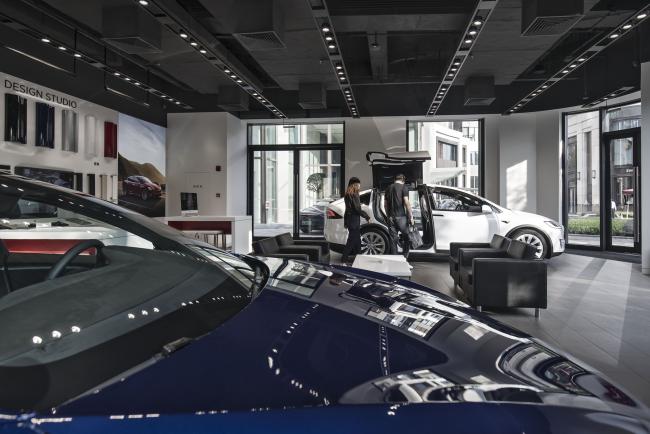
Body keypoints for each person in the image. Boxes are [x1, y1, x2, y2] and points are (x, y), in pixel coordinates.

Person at [384, 174, 414, 257]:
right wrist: (411, 216)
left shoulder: (388, 188)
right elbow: (406, 203)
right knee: (407, 238)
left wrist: (388, 215)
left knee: (393, 240)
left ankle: (396, 259)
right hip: (401, 217)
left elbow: (385, 205)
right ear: (403, 180)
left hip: (391, 217)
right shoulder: (404, 187)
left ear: (395, 179)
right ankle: (405, 258)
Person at [342, 177, 370, 264]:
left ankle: (359, 257)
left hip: (351, 220)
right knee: (351, 241)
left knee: (357, 240)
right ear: (354, 184)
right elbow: (357, 209)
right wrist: (367, 216)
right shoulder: (355, 194)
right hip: (354, 220)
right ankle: (344, 259)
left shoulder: (348, 194)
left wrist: (346, 222)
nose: (359, 186)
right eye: (358, 184)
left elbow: (347, 210)